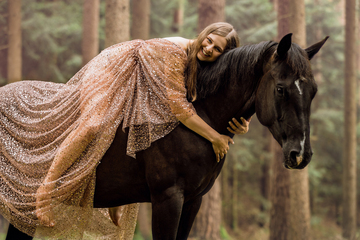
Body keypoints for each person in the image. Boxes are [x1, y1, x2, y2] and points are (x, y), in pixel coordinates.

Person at [0, 22, 250, 238]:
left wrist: (240, 125)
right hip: (115, 69)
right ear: (203, 35)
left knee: (133, 134)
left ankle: (115, 203)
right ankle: (45, 192)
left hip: (138, 85)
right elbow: (179, 107)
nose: (209, 49)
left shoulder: (200, 63)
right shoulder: (177, 52)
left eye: (217, 49)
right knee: (94, 124)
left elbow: (204, 103)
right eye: (209, 42)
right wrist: (215, 137)